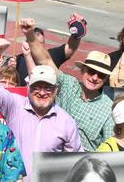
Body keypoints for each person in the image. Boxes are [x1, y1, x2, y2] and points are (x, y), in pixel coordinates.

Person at [0, 37, 83, 182]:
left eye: (48, 88)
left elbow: (76, 164)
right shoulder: (14, 106)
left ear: (56, 90)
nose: (42, 92)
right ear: (28, 87)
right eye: (37, 87)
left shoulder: (66, 122)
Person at [23, 18, 114, 152]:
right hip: (52, 154)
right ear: (82, 70)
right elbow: (45, 60)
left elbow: (109, 148)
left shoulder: (108, 108)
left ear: (106, 78)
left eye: (101, 75)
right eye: (91, 71)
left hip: (83, 164)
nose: (95, 77)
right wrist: (30, 34)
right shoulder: (69, 85)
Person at [14, 15, 86, 86]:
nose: (37, 48)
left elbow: (71, 47)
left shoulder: (52, 55)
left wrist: (77, 33)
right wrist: (10, 68)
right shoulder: (19, 59)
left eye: (40, 45)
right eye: (34, 44)